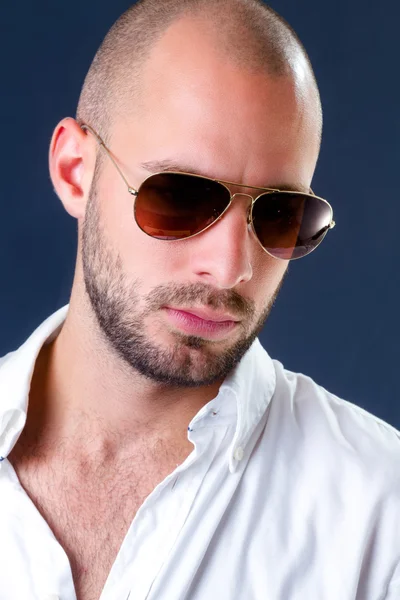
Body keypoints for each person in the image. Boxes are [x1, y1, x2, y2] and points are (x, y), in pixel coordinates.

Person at [0, 0, 399, 598]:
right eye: (181, 197)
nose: (231, 267)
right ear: (75, 171)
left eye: (281, 215)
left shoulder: (380, 514)